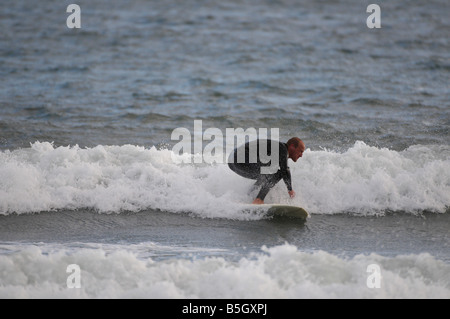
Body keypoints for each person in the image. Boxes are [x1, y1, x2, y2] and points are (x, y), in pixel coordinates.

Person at [228, 137, 305, 204]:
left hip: (232, 161)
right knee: (275, 172)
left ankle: (249, 196)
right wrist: (290, 190)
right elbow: (284, 170)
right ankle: (258, 200)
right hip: (239, 157)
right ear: (292, 147)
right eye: (300, 151)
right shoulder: (282, 148)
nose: (301, 155)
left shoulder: (275, 152)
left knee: (264, 175)